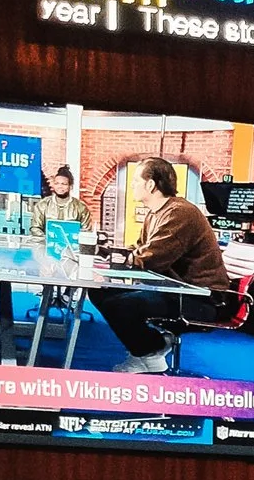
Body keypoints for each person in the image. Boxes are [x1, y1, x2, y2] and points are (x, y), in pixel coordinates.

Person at [87, 160, 232, 373]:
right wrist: (109, 253)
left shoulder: (180, 213)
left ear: (151, 185)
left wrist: (120, 258)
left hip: (200, 298)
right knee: (99, 291)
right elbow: (140, 248)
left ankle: (153, 348)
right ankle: (147, 352)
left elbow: (152, 258)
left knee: (121, 306)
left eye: (136, 180)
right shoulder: (155, 212)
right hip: (173, 289)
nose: (132, 185)